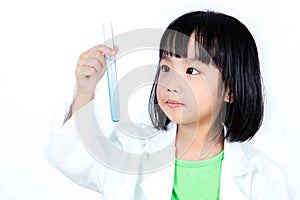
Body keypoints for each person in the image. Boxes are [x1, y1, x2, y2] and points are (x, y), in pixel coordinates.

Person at [47, 11, 290, 199]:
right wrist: (85, 90)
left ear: (230, 89)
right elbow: (75, 161)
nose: (172, 83)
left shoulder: (264, 179)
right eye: (166, 68)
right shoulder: (132, 151)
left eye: (191, 70)